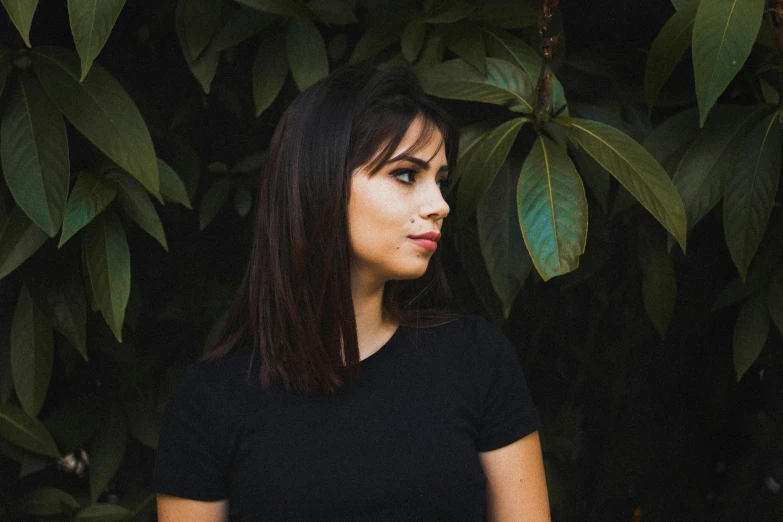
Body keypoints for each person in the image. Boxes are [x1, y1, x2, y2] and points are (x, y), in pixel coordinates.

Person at [152, 64, 550, 521]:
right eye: (406, 175)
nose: (439, 205)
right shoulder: (211, 403)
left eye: (440, 180)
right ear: (320, 182)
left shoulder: (476, 360)